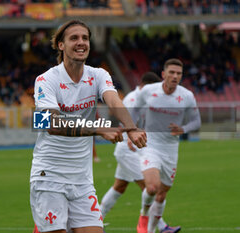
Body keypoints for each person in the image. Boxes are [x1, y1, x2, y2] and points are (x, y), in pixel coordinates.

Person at [30, 19, 147, 233]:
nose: (81, 42)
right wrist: (98, 128)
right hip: (50, 177)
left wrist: (131, 128)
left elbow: (113, 101)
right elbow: (51, 124)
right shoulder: (46, 80)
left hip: (82, 179)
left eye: (85, 38)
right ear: (61, 45)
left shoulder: (99, 75)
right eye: (74, 38)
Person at [100, 72, 181, 232]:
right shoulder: (133, 99)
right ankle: (161, 226)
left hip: (131, 150)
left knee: (119, 187)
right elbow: (128, 125)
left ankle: (97, 219)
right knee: (150, 188)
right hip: (128, 150)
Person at [131, 59, 201, 233]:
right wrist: (131, 131)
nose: (175, 76)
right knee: (152, 187)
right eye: (171, 72)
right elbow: (134, 110)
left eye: (178, 73)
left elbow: (197, 121)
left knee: (162, 194)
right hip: (150, 144)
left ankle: (151, 229)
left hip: (170, 149)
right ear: (163, 74)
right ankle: (143, 214)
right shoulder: (148, 91)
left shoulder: (186, 96)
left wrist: (183, 129)